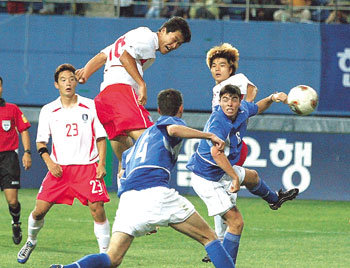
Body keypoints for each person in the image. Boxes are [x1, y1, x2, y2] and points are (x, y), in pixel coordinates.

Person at [50, 88, 238, 268]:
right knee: (209, 237)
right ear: (181, 108)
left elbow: (122, 173)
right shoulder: (171, 122)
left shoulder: (143, 138)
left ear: (158, 109)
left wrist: (146, 214)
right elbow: (172, 130)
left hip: (129, 199)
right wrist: (208, 135)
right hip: (155, 191)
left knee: (112, 258)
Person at [187, 85, 299, 264]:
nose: (229, 104)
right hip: (207, 178)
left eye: (233, 99)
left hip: (221, 170)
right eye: (225, 100)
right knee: (236, 222)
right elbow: (217, 154)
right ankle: (225, 261)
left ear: (239, 101)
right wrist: (233, 176)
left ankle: (274, 199)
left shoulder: (243, 109)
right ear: (220, 101)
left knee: (252, 177)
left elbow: (257, 107)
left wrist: (271, 98)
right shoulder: (218, 122)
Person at [17, 64, 111, 264]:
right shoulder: (49, 110)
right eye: (63, 80)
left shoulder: (91, 106)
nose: (68, 83)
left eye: (71, 79)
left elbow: (101, 137)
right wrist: (50, 162)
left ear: (76, 82)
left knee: (98, 209)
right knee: (39, 210)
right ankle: (31, 241)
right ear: (56, 85)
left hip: (87, 167)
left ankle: (106, 255)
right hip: (60, 170)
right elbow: (41, 142)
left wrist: (102, 163)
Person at [75, 16, 191, 175]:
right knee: (153, 139)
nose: (174, 45)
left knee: (126, 158)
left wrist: (86, 73)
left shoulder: (132, 37)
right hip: (120, 93)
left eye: (179, 44)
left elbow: (104, 55)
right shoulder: (148, 38)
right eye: (174, 39)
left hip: (105, 98)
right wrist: (142, 84)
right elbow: (125, 57)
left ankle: (125, 186)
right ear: (163, 31)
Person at [203, 43, 257, 262]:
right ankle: (221, 239)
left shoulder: (234, 81)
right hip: (224, 146)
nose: (217, 69)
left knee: (223, 194)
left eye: (222, 65)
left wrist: (244, 111)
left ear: (231, 68)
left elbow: (252, 89)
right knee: (222, 194)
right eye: (214, 65)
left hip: (231, 147)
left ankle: (221, 240)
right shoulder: (218, 89)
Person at [0, 76, 32, 245]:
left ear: (1, 88)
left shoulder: (12, 109)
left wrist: (27, 152)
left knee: (12, 200)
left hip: (8, 158)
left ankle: (16, 223)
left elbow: (24, 130)